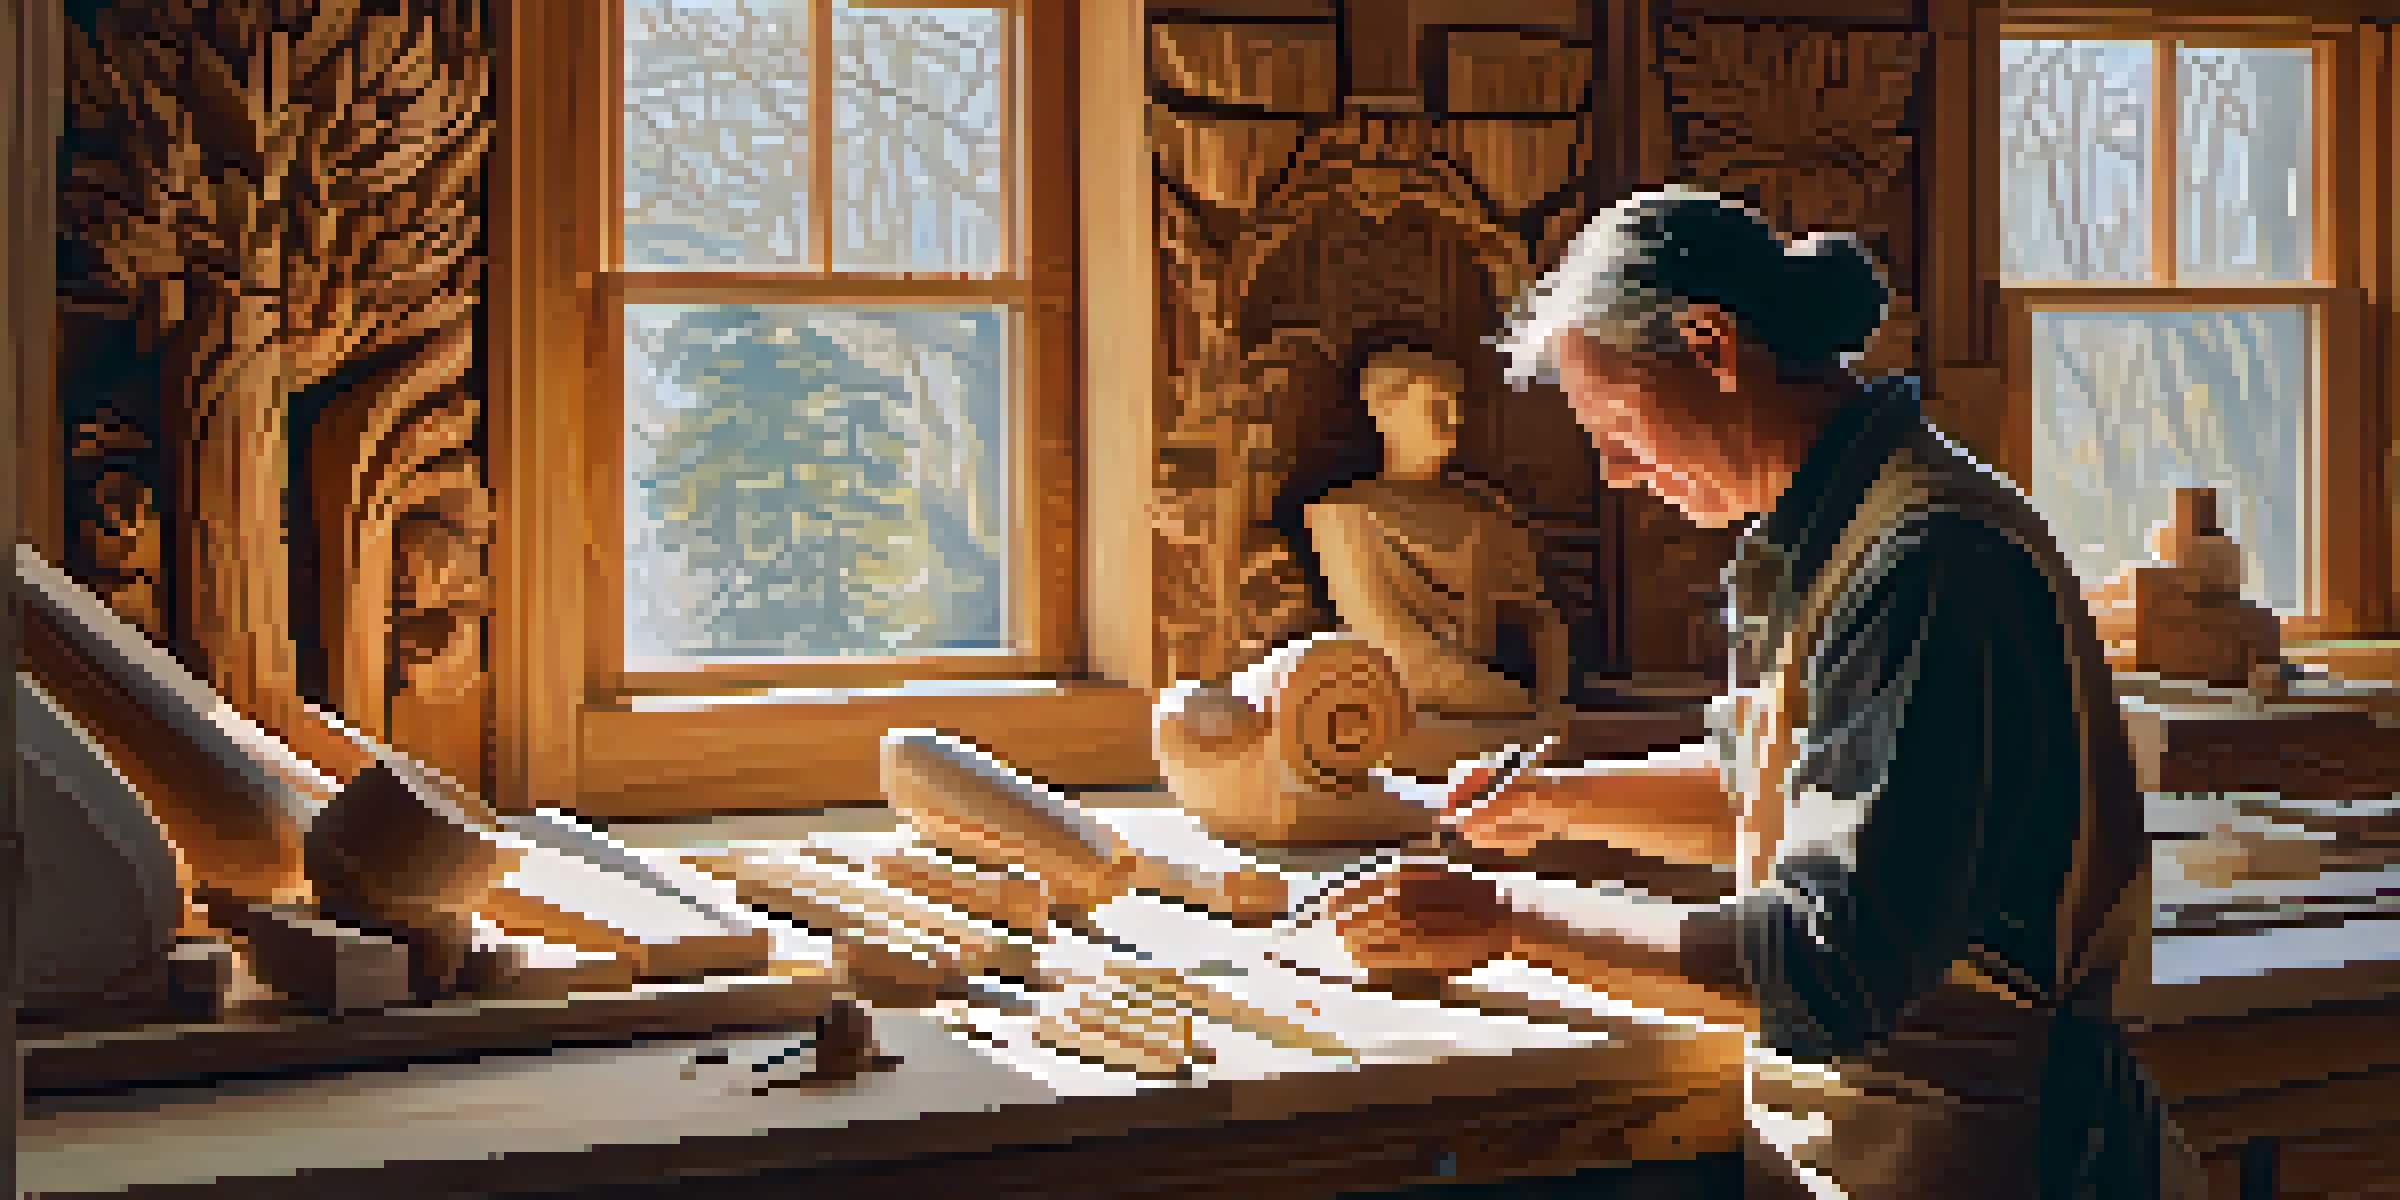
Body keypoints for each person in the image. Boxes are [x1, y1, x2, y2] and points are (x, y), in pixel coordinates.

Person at [1342, 189, 2197, 1199]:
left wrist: (1506, 917)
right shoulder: (1828, 526)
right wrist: (1555, 805)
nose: (1614, 472)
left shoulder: (1927, 561)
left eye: (1616, 422)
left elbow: (1823, 966)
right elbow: (1784, 784)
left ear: (1711, 347)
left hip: (1987, 1154)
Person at [1305, 348, 1573, 778]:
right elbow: (1387, 640)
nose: (1452, 421)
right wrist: (1507, 699)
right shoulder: (1346, 513)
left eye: (1456, 405)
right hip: (1409, 700)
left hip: (1499, 707)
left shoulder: (1487, 510)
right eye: (1434, 405)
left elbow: (1538, 619)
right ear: (1384, 413)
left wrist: (1551, 700)